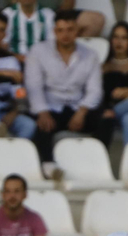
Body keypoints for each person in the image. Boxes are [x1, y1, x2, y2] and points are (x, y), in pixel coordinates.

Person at [24, 10, 111, 177]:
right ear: (54, 31)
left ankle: (96, 159)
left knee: (107, 118)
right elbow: (33, 85)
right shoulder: (38, 51)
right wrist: (42, 111)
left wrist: (82, 112)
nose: (65, 35)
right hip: (51, 107)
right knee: (41, 125)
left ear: (77, 31)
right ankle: (48, 165)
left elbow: (95, 90)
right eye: (61, 30)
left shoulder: (90, 55)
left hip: (77, 106)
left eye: (70, 29)